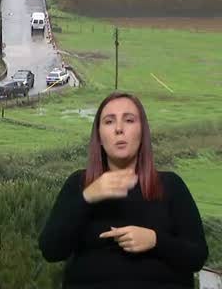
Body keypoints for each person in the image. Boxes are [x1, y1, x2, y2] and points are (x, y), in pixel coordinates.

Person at [39, 92, 208, 288]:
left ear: (142, 132)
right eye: (109, 122)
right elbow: (51, 251)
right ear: (99, 137)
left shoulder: (171, 186)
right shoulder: (79, 184)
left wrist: (155, 240)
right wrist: (87, 198)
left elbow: (197, 257)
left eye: (129, 120)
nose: (119, 129)